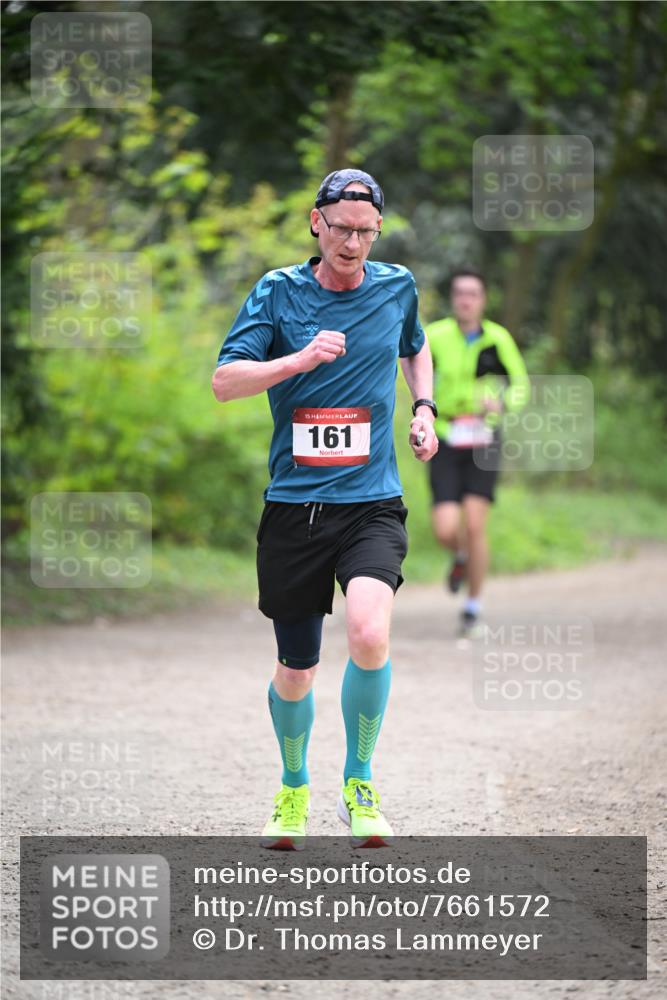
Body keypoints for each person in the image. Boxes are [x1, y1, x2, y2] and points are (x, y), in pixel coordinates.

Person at [212, 169, 438, 849]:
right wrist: (298, 360)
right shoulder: (277, 292)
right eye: (340, 228)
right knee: (296, 667)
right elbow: (225, 382)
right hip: (294, 506)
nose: (352, 242)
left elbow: (415, 345)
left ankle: (359, 782)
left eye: (365, 232)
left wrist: (423, 409)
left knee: (369, 634)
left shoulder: (395, 286)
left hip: (371, 502)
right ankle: (291, 787)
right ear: (315, 222)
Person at [425, 269, 528, 636]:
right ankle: (460, 555)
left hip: (483, 436)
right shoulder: (434, 336)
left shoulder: (497, 339)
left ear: (483, 300)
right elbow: (412, 370)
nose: (466, 300)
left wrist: (502, 404)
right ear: (454, 299)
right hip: (446, 435)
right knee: (445, 528)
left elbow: (520, 386)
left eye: (473, 294)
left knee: (474, 523)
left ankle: (472, 607)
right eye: (460, 293)